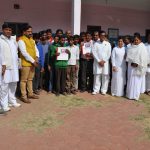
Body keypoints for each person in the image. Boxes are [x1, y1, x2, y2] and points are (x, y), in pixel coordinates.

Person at [0, 23, 21, 112]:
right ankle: (3, 105)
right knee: (4, 86)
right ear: (2, 30)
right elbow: (0, 54)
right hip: (5, 67)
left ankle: (12, 101)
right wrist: (3, 64)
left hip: (14, 67)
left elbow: (16, 53)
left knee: (13, 84)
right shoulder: (0, 40)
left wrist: (18, 63)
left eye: (10, 30)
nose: (8, 31)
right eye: (6, 29)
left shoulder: (12, 40)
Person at [18, 25, 39, 103]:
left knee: (30, 79)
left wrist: (37, 57)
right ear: (24, 32)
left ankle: (30, 93)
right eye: (28, 31)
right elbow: (24, 52)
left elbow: (36, 50)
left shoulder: (32, 40)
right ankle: (23, 96)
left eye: (31, 31)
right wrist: (33, 61)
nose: (30, 33)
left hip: (33, 63)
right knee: (23, 80)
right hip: (26, 64)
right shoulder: (21, 40)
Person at [126, 33, 148, 100]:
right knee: (131, 81)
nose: (136, 41)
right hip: (132, 67)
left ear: (140, 40)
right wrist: (131, 62)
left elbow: (144, 58)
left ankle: (136, 96)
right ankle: (130, 95)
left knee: (137, 82)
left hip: (138, 68)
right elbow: (128, 57)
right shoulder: (131, 47)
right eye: (135, 40)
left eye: (137, 40)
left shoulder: (142, 47)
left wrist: (138, 64)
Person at [92, 31, 111, 95]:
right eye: (101, 36)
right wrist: (99, 61)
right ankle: (96, 90)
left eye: (104, 36)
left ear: (105, 36)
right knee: (97, 76)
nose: (102, 37)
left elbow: (109, 53)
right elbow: (94, 53)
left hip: (105, 63)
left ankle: (104, 90)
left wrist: (104, 61)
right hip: (97, 62)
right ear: (99, 36)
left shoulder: (108, 44)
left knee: (105, 76)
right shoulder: (96, 43)